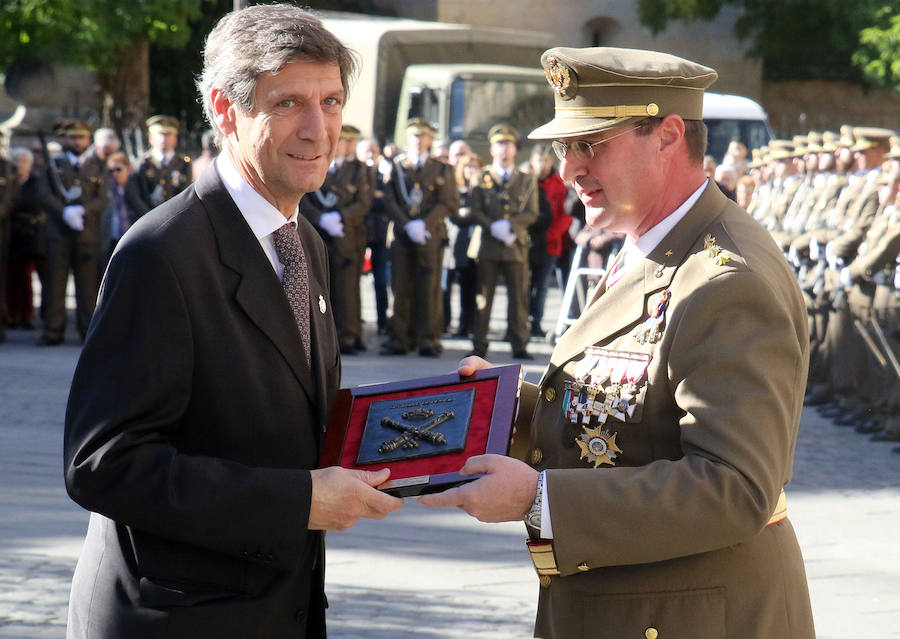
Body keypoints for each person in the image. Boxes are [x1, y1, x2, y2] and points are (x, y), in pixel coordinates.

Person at [420, 46, 815, 638]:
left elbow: (734, 486)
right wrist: (511, 408)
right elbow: (635, 412)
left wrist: (538, 498)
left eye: (592, 145)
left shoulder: (724, 278)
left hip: (693, 614)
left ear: (668, 135)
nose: (569, 169)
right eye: (563, 147)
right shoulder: (654, 240)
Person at [63, 6, 402, 638]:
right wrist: (299, 501)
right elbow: (103, 463)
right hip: (177, 617)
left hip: (274, 606)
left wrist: (453, 417)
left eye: (331, 101)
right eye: (288, 103)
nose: (318, 128)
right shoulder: (160, 253)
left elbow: (295, 413)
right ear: (226, 110)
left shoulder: (302, 239)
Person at [381, 118, 458, 356]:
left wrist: (423, 223)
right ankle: (400, 338)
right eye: (413, 136)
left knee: (429, 289)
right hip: (402, 235)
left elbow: (449, 203)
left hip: (430, 235)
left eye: (422, 136)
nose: (417, 140)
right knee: (400, 287)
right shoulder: (397, 166)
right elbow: (389, 200)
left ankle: (428, 339)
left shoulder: (443, 168)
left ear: (430, 140)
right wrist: (407, 224)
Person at [300, 124, 373, 354]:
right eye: (343, 140)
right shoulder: (316, 163)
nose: (347, 145)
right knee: (320, 287)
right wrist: (321, 219)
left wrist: (340, 217)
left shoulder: (359, 170)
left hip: (347, 235)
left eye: (351, 141)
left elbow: (364, 202)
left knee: (347, 288)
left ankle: (348, 336)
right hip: (318, 234)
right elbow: (303, 196)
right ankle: (322, 337)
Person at [469, 124, 539, 360]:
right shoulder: (482, 176)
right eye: (500, 144)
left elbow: (532, 212)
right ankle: (479, 345)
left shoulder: (527, 179)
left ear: (514, 149)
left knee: (518, 297)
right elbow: (475, 210)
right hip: (488, 244)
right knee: (483, 298)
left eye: (508, 144)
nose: (504, 149)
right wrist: (493, 227)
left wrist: (511, 226)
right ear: (491, 149)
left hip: (515, 245)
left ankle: (519, 343)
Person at [37, 119, 109, 345]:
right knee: (55, 284)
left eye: (81, 137)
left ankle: (87, 330)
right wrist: (64, 211)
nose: (77, 142)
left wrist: (83, 210)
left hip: (86, 235)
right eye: (73, 137)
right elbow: (44, 194)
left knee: (88, 287)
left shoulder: (96, 166)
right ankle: (53, 331)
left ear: (88, 140)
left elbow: (103, 199)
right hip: (57, 234)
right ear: (63, 139)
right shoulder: (53, 164)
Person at [528, 143, 571, 338]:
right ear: (532, 161)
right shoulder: (527, 182)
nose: (542, 164)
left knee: (542, 284)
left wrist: (551, 234)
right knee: (524, 285)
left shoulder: (559, 184)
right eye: (539, 160)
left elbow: (566, 215)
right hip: (528, 242)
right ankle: (522, 321)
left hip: (550, 243)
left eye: (545, 160)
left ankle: (536, 321)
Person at [6, 147, 46, 331]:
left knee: (26, 278)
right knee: (11, 278)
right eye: (17, 160)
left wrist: (13, 205)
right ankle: (12, 314)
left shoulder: (36, 182)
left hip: (30, 236)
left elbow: (34, 202)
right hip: (11, 234)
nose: (20, 164)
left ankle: (27, 315)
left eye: (24, 160)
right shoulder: (10, 181)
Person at [98, 151, 147, 272]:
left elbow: (143, 210)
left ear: (128, 169)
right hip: (111, 241)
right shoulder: (105, 190)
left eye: (118, 169)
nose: (114, 174)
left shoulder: (137, 186)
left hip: (133, 240)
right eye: (110, 171)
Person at [134, 114, 192, 210]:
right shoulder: (143, 164)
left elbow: (187, 195)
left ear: (175, 138)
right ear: (151, 137)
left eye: (168, 134)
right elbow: (137, 197)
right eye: (160, 134)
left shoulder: (184, 164)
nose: (164, 139)